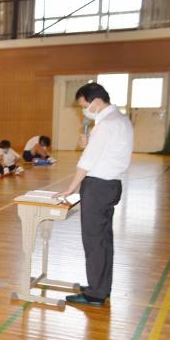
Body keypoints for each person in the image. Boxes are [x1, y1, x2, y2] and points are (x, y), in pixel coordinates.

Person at [55, 83, 133, 307]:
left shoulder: (106, 125)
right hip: (111, 185)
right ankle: (101, 286)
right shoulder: (121, 120)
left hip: (97, 187)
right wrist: (90, 143)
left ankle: (95, 294)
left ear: (96, 101)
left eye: (84, 106)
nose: (84, 111)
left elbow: (87, 162)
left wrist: (70, 188)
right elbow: (109, 151)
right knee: (103, 240)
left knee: (94, 240)